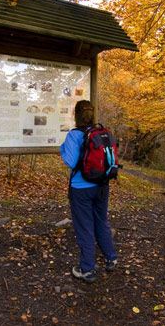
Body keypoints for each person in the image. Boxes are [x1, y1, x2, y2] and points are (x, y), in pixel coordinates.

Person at [60, 100, 118, 283]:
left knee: (85, 227)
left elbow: (70, 161)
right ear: (92, 114)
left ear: (75, 115)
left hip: (81, 189)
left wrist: (62, 149)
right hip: (102, 185)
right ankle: (111, 258)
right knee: (101, 221)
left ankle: (87, 269)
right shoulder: (101, 132)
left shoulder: (74, 135)